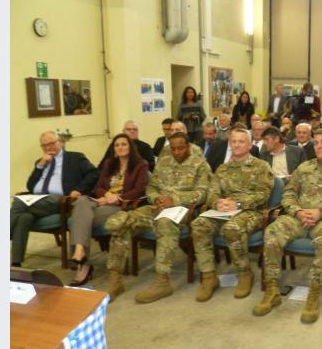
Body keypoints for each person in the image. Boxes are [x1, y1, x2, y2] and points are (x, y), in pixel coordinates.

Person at [254, 128, 322, 323]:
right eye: (317, 142)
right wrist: (297, 211)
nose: (319, 146)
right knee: (272, 231)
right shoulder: (304, 168)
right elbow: (289, 194)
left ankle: (313, 295)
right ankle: (272, 290)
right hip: (299, 217)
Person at [101, 132, 212, 303]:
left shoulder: (200, 165)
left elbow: (204, 193)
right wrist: (156, 198)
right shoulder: (163, 163)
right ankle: (115, 279)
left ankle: (162, 281)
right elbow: (151, 187)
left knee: (164, 223)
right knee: (123, 222)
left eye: (181, 148)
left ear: (188, 147)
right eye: (173, 149)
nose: (177, 152)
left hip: (183, 211)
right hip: (157, 207)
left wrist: (174, 199)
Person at [191, 128, 274, 302]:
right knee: (198, 224)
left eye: (241, 141)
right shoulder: (222, 169)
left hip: (252, 212)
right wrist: (217, 203)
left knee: (232, 228)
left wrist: (237, 204)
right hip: (223, 211)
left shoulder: (261, 166)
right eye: (233, 141)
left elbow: (263, 195)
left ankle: (244, 274)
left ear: (250, 145)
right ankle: (208, 277)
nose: (236, 145)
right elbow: (212, 193)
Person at [68, 134, 149, 285]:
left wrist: (117, 198)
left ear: (130, 147)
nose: (120, 147)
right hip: (103, 201)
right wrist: (106, 195)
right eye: (117, 145)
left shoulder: (141, 164)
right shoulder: (109, 163)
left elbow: (140, 190)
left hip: (121, 206)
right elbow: (98, 186)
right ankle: (80, 251)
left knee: (76, 220)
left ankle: (82, 264)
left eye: (124, 144)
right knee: (82, 201)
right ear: (114, 148)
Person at [11, 131, 99, 267]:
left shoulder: (75, 158)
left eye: (51, 143)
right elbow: (30, 186)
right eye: (44, 145)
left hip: (59, 199)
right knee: (23, 217)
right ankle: (16, 262)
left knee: (18, 202)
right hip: (36, 200)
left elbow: (94, 173)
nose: (48, 147)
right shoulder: (40, 162)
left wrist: (79, 190)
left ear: (60, 142)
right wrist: (40, 165)